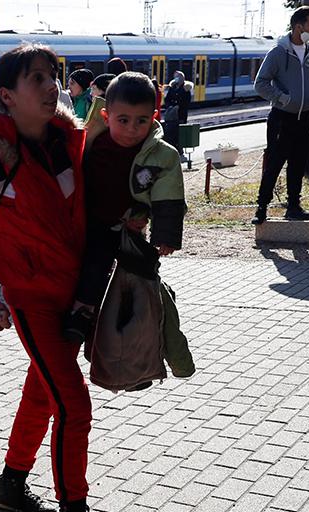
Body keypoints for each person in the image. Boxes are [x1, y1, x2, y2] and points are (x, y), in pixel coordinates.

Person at [0, 42, 123, 512]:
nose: (51, 86)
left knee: (43, 393)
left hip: (76, 296)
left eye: (53, 76)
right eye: (37, 78)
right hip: (31, 299)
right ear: (6, 95)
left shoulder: (68, 140)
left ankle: (12, 486)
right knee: (74, 404)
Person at [63, 72, 186, 343]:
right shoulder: (90, 142)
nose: (132, 129)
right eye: (123, 120)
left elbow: (169, 194)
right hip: (89, 220)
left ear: (153, 117)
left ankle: (139, 340)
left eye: (141, 121)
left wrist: (165, 236)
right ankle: (84, 313)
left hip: (126, 224)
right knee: (93, 264)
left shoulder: (160, 154)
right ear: (106, 117)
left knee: (140, 276)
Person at [251, 5, 309, 224]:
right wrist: (283, 98)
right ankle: (261, 207)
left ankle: (293, 206)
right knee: (274, 163)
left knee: (298, 164)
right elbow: (260, 83)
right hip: (282, 118)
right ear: (298, 26)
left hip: (304, 118)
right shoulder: (278, 52)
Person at [161, 72, 192, 149]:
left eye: (177, 77)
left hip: (181, 114)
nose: (176, 78)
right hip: (172, 114)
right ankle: (173, 147)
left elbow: (187, 102)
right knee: (171, 131)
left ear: (182, 78)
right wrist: (170, 106)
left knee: (179, 132)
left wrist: (179, 107)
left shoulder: (186, 88)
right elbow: (167, 99)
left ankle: (179, 148)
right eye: (175, 77)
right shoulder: (173, 87)